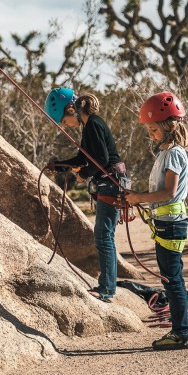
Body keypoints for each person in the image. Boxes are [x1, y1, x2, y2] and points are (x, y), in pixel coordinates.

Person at [44, 87, 127, 303]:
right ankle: (107, 287)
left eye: (63, 120)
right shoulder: (89, 126)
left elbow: (100, 157)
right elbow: (83, 158)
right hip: (108, 182)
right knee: (104, 235)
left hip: (110, 182)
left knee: (103, 236)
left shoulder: (93, 124)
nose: (64, 125)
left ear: (71, 109)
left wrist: (85, 174)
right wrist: (60, 166)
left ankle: (107, 289)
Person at [125, 92, 188, 350]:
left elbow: (169, 192)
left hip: (172, 223)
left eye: (153, 129)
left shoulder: (174, 153)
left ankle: (181, 333)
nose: (151, 134)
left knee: (172, 279)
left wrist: (138, 198)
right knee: (170, 277)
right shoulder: (164, 152)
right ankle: (180, 331)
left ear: (168, 127)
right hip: (165, 222)